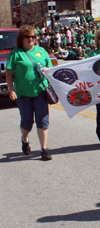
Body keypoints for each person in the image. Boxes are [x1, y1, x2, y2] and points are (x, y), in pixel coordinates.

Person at [5, 25, 53, 160]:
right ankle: (24, 139)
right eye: (28, 37)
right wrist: (11, 90)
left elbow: (50, 69)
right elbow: (9, 73)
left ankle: (44, 149)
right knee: (27, 122)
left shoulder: (42, 51)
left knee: (43, 120)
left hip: (40, 92)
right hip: (23, 94)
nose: (30, 39)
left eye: (33, 37)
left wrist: (46, 70)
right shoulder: (16, 53)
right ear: (22, 39)